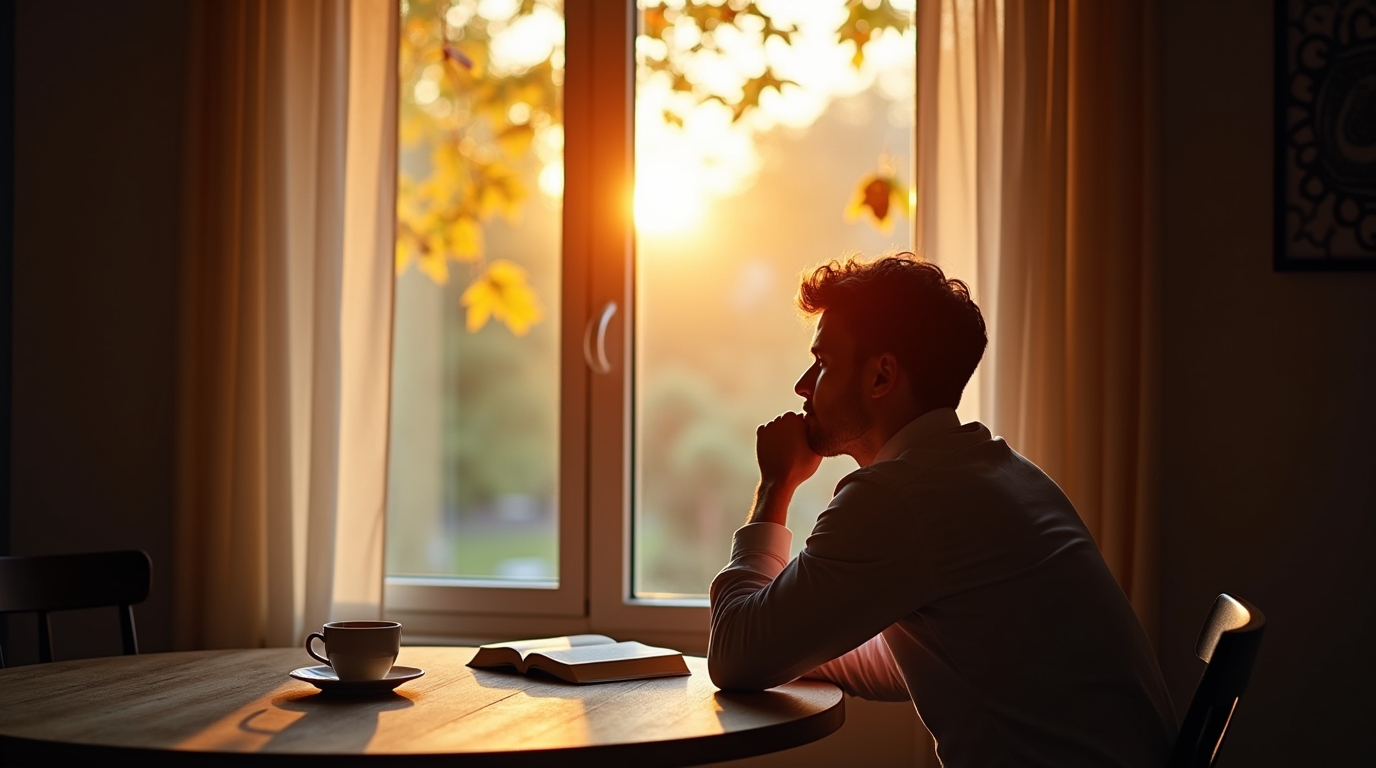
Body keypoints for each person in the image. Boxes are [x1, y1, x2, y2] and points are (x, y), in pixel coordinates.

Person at [707, 252, 1176, 767]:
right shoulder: (997, 469)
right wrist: (793, 638)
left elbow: (733, 658)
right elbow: (922, 659)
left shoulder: (898, 497)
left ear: (881, 376)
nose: (803, 385)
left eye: (823, 363)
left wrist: (776, 485)